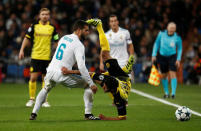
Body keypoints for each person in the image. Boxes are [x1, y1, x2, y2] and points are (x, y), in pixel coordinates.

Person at [62, 19, 135, 120]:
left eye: (104, 86)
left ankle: (124, 70)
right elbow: (88, 73)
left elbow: (122, 118)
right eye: (104, 86)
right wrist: (70, 71)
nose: (103, 89)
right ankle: (99, 26)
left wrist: (106, 118)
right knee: (105, 56)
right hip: (124, 80)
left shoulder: (116, 93)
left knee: (104, 56)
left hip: (118, 80)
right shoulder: (116, 92)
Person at [29, 20, 99, 120]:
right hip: (62, 74)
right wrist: (91, 83)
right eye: (86, 30)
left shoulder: (64, 37)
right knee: (88, 86)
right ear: (79, 30)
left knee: (46, 89)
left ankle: (34, 113)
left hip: (50, 70)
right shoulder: (79, 45)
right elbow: (82, 67)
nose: (88, 33)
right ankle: (88, 114)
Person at [19, 8, 59, 107]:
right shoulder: (34, 26)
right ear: (39, 16)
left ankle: (44, 100)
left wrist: (57, 53)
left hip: (47, 57)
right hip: (36, 56)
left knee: (46, 80)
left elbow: (57, 41)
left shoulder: (52, 28)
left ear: (49, 16)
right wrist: (21, 50)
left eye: (46, 14)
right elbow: (26, 38)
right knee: (33, 78)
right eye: (43, 14)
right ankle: (32, 99)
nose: (44, 16)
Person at [152, 22, 182, 99]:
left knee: (172, 73)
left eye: (173, 28)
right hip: (162, 56)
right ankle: (166, 92)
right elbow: (156, 44)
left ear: (175, 29)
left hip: (172, 56)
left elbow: (179, 49)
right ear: (167, 28)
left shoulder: (177, 37)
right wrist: (153, 54)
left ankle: (173, 93)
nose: (172, 29)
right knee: (164, 75)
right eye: (171, 28)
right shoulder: (161, 34)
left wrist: (178, 59)